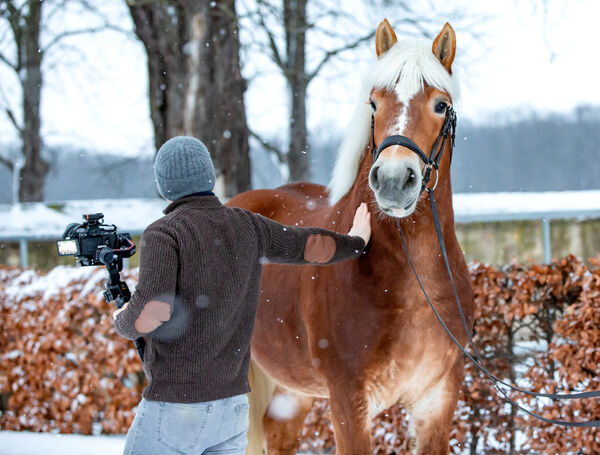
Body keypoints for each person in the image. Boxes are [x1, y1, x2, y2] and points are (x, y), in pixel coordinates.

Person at [113, 136, 371, 455]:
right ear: (208, 176)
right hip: (232, 411)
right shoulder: (248, 224)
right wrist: (356, 242)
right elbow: (307, 246)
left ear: (164, 184)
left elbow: (151, 313)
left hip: (177, 407)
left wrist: (122, 320)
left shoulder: (163, 233)